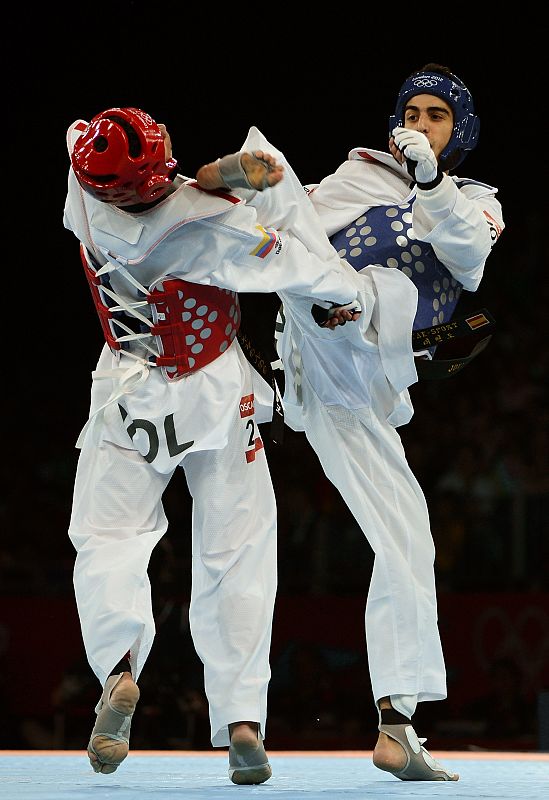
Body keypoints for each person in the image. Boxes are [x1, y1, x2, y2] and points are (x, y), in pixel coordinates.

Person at [63, 107, 362, 784]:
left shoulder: (82, 190)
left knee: (107, 537)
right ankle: (241, 721)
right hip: (214, 392)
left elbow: (82, 132)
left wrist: (216, 176)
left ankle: (117, 672)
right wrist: (350, 292)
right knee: (236, 549)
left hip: (125, 392)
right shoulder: (213, 229)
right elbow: (308, 272)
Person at [276, 64, 504, 780]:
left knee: (408, 542)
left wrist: (431, 182)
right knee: (291, 226)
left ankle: (397, 721)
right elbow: (287, 231)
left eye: (436, 114)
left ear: (457, 129)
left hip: (363, 386)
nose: (420, 123)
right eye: (411, 111)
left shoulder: (479, 203)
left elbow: (467, 260)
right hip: (321, 335)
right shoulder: (357, 175)